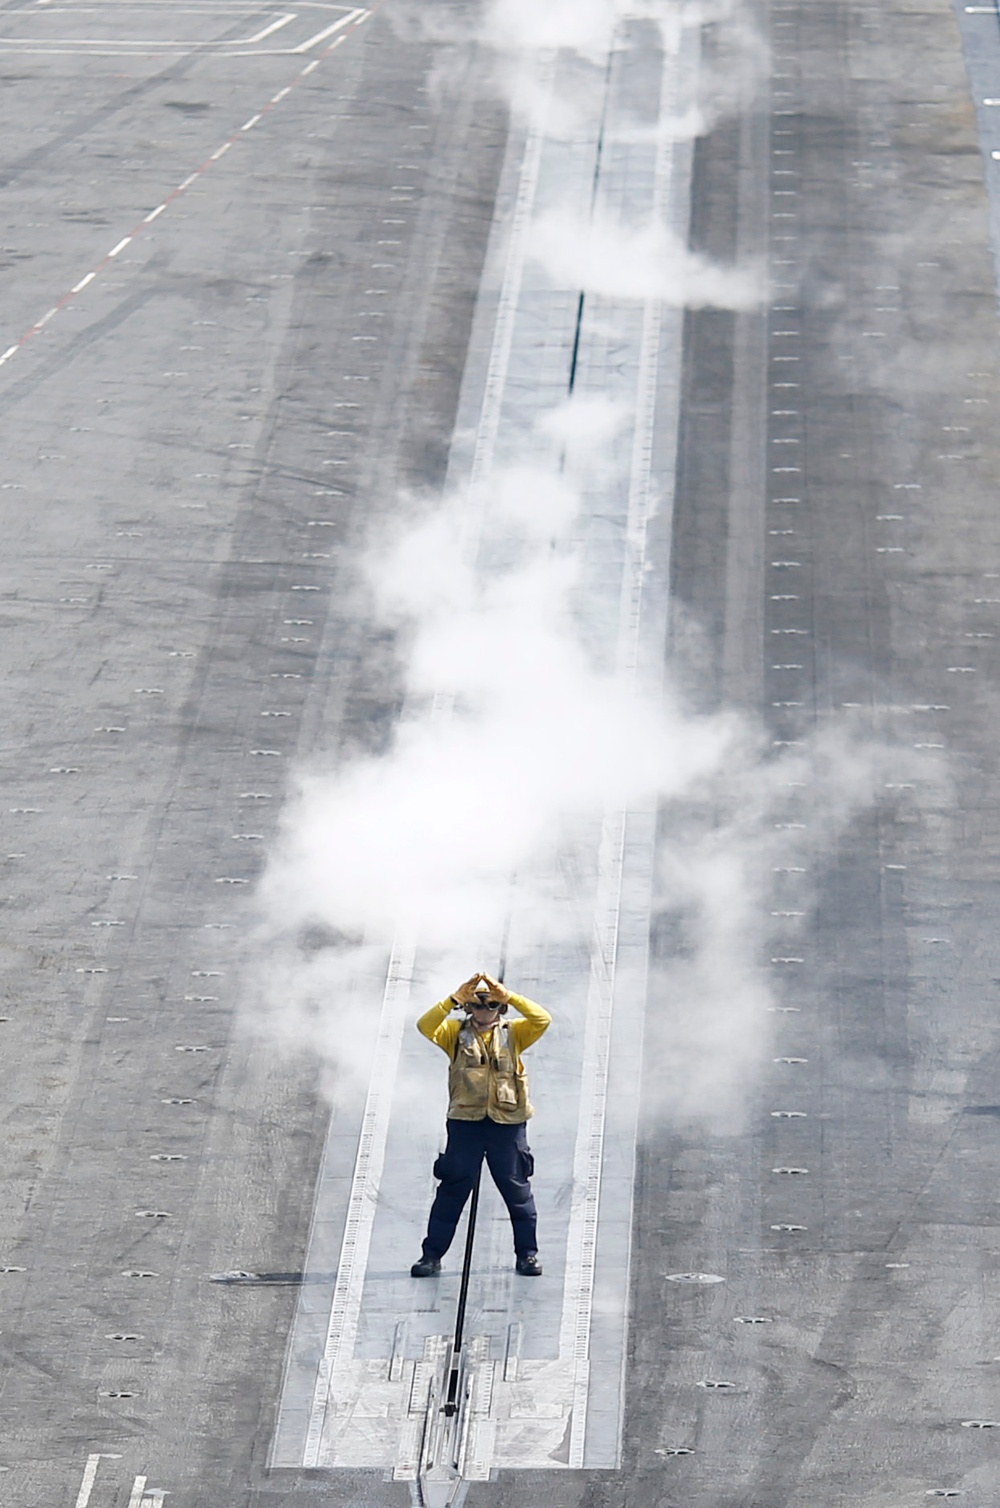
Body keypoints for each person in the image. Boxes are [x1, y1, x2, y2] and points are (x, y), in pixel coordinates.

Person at [410, 971, 551, 1278]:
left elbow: (542, 1019)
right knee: (452, 1191)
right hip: (466, 1124)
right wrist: (452, 1000)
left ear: (500, 1009)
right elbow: (425, 1025)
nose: (483, 1011)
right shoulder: (453, 1033)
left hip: (507, 1124)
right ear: (468, 1008)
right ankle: (431, 1257)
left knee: (517, 1192)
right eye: (476, 1006)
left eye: (491, 1006)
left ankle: (527, 1255)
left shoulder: (515, 1033)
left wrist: (510, 996)